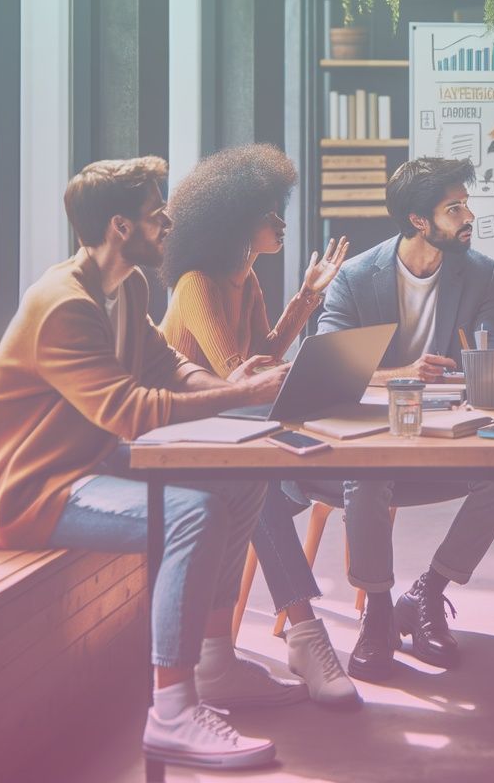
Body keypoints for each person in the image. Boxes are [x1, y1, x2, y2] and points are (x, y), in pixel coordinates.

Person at [0, 157, 295, 770]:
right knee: (192, 514)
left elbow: (165, 366)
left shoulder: (128, 287)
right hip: (30, 488)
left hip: (89, 461)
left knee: (243, 473)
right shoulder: (63, 304)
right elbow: (129, 411)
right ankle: (172, 709)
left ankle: (215, 661)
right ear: (120, 226)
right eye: (156, 214)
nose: (168, 223)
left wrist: (225, 379)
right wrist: (240, 396)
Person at [291, 156, 494, 681]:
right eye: (455, 209)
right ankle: (377, 612)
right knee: (366, 473)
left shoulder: (483, 272)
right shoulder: (357, 278)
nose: (468, 216)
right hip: (377, 432)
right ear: (419, 221)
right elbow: (328, 362)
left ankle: (429, 590)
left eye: (466, 205)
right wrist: (401, 373)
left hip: (448, 435)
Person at [156, 144, 355, 706]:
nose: (281, 222)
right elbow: (232, 371)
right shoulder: (197, 281)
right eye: (269, 213)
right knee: (265, 472)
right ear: (236, 221)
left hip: (229, 422)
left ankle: (297, 633)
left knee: (263, 471)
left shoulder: (248, 279)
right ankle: (305, 632)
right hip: (186, 431)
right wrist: (278, 370)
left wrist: (307, 299)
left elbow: (261, 355)